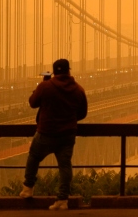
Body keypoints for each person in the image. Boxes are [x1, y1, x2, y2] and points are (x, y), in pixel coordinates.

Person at [20, 59, 88, 211]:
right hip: (67, 135)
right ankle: (62, 200)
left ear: (54, 72)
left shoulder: (46, 86)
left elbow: (32, 103)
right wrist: (69, 120)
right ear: (68, 71)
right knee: (65, 166)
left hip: (46, 133)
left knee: (33, 157)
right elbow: (83, 113)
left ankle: (28, 189)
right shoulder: (78, 89)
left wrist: (41, 84)